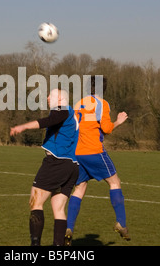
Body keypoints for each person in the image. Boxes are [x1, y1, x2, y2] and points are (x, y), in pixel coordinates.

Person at [65, 76, 130, 245]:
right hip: (93, 151)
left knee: (79, 189)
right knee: (115, 182)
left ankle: (68, 227)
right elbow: (107, 129)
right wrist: (118, 121)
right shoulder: (102, 104)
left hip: (77, 152)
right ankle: (121, 223)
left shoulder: (78, 103)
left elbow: (72, 127)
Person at [10, 89, 79, 246]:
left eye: (51, 95)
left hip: (57, 162)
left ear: (61, 98)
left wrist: (24, 127)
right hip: (72, 166)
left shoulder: (62, 110)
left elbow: (48, 121)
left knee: (35, 203)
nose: (48, 98)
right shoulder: (72, 114)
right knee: (58, 209)